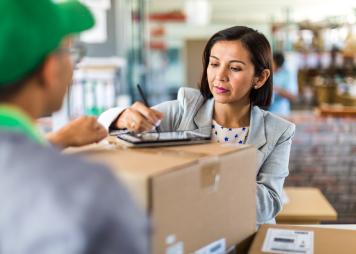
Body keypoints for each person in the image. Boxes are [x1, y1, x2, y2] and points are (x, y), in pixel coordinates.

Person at [99, 26, 296, 225]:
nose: (220, 76)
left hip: (244, 236)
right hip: (186, 232)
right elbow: (105, 128)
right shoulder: (182, 111)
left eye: (235, 68)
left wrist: (208, 173)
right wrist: (122, 118)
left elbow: (269, 204)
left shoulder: (278, 131)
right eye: (214, 64)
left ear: (260, 78)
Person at [0, 0, 149, 253]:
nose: (74, 65)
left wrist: (58, 140)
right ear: (49, 69)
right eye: (70, 52)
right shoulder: (86, 191)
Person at [269, 51, 298, 116]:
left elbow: (293, 97)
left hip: (281, 113)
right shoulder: (267, 73)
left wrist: (276, 89)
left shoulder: (287, 75)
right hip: (265, 113)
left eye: (271, 62)